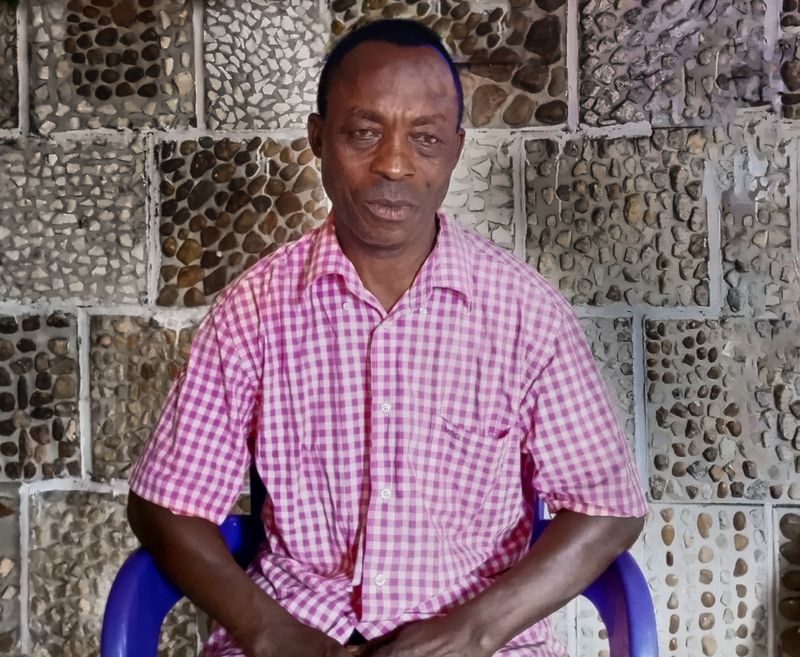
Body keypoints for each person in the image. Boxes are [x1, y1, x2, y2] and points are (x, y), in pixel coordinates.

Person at [128, 19, 648, 657]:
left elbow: (608, 506)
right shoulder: (254, 311)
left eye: (425, 138)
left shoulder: (524, 315)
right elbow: (166, 503)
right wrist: (268, 630)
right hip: (297, 632)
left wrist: (473, 630)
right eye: (363, 132)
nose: (395, 164)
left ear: (456, 150)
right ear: (319, 139)